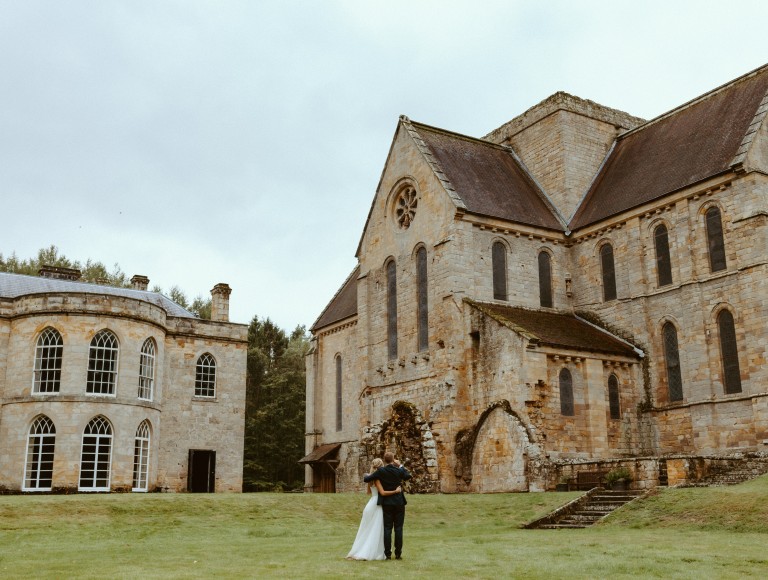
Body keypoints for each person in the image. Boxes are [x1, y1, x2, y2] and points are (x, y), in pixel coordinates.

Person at [346, 458, 402, 561]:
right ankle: (373, 552)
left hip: (370, 504)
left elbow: (368, 492)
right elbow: (383, 493)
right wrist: (395, 491)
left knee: (367, 529)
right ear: (381, 466)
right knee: (377, 529)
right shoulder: (377, 479)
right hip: (378, 505)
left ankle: (363, 549)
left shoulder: (370, 478)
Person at [363, 451, 411, 560]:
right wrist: (400, 465)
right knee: (398, 528)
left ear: (384, 460)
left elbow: (366, 479)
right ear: (393, 459)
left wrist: (367, 474)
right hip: (399, 502)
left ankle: (388, 554)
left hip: (387, 503)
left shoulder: (381, 471)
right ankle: (398, 554)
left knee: (387, 528)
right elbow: (408, 476)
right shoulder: (398, 470)